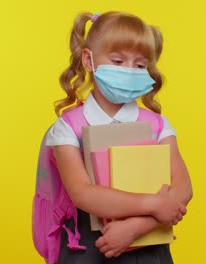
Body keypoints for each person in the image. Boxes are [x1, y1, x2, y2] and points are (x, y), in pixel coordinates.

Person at [46, 11, 193, 263]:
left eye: (140, 65)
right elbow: (83, 194)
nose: (129, 71)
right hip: (89, 251)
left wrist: (135, 228)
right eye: (117, 61)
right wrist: (154, 205)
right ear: (89, 60)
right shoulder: (68, 128)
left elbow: (183, 188)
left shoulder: (158, 126)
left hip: (149, 251)